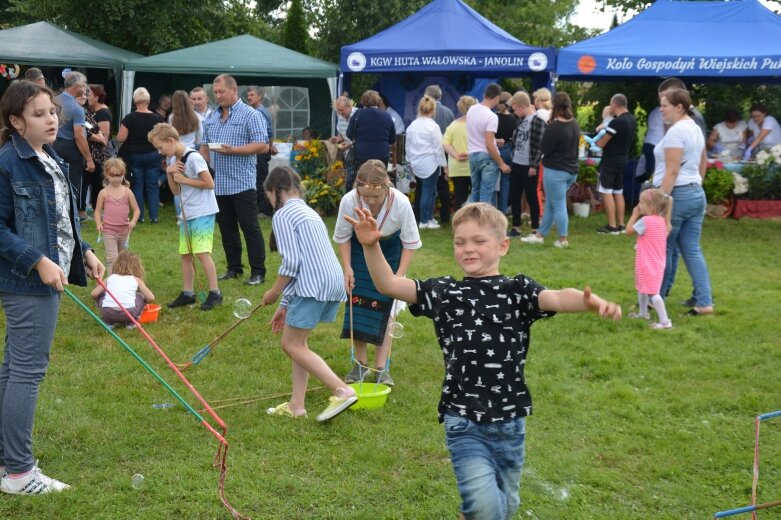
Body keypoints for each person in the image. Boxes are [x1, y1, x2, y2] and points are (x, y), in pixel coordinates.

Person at [344, 202, 621, 520]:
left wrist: (590, 303)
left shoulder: (518, 291)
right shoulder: (445, 292)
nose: (467, 249)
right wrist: (371, 246)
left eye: (478, 241)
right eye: (460, 242)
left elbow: (557, 297)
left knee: (506, 506)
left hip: (510, 422)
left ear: (503, 246)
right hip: (463, 420)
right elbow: (389, 285)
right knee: (487, 509)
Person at [0, 80, 105, 495]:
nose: (51, 119)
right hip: (26, 281)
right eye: (39, 114)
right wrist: (38, 261)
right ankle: (21, 473)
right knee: (27, 371)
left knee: (13, 369)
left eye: (52, 112)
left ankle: (7, 461)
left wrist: (88, 250)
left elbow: (61, 219)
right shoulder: (9, 163)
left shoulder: (52, 157)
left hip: (49, 272)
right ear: (15, 121)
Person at [261, 167, 357, 422]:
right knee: (299, 345)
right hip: (330, 282)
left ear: (275, 191)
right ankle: (297, 405)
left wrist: (274, 291)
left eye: (268, 195)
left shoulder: (282, 215)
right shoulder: (309, 211)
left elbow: (292, 264)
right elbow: (304, 262)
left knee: (290, 344)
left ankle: (342, 390)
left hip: (313, 284)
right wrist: (284, 304)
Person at [333, 160, 421, 387]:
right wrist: (347, 267)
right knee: (358, 306)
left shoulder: (401, 203)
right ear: (357, 189)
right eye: (365, 196)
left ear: (387, 188)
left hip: (389, 253)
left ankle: (382, 368)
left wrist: (399, 276)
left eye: (376, 197)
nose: (370, 202)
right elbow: (343, 236)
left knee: (386, 311)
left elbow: (410, 242)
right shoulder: (349, 200)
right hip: (359, 252)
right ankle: (360, 364)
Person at [200, 74, 269, 286]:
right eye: (215, 93)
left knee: (249, 228)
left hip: (242, 183)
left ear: (233, 90)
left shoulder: (251, 115)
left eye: (221, 92)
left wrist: (235, 150)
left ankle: (258, 271)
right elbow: (204, 146)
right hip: (219, 184)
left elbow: (263, 145)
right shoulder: (211, 118)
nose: (218, 96)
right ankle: (234, 267)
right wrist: (201, 164)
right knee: (227, 228)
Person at [149, 123, 223, 311]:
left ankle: (215, 292)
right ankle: (188, 293)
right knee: (186, 253)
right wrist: (170, 174)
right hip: (187, 212)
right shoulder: (174, 160)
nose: (159, 151)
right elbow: (176, 191)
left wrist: (184, 179)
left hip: (202, 211)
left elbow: (209, 183)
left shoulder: (194, 157)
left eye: (160, 147)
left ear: (171, 140)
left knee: (201, 252)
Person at [652, 88, 714, 316]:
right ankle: (704, 301)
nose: (661, 109)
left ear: (679, 107)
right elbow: (702, 162)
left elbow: (672, 171)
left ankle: (655, 298)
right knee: (691, 249)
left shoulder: (677, 131)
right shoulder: (696, 128)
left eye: (664, 105)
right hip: (695, 193)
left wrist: (660, 202)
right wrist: (697, 184)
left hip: (678, 195)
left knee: (664, 249)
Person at [522, 92, 581, 248]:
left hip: (555, 171)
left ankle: (563, 239)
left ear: (555, 105)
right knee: (551, 203)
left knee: (558, 204)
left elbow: (544, 149)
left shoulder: (554, 126)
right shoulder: (574, 123)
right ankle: (540, 235)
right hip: (571, 171)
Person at [625, 188, 673, 329]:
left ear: (651, 207)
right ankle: (643, 313)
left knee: (653, 293)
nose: (639, 205)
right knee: (642, 288)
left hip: (648, 264)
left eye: (641, 203)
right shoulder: (662, 221)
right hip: (656, 263)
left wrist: (634, 215)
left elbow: (628, 231)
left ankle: (665, 322)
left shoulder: (645, 220)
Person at [116, 87, 165, 223]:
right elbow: (163, 137)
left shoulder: (130, 118)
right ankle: (154, 217)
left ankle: (140, 216)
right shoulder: (158, 118)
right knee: (152, 185)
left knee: (137, 185)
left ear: (135, 101)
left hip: (135, 155)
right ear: (148, 101)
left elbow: (121, 138)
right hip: (153, 154)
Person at [53, 71, 95, 222]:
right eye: (83, 85)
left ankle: (55, 218)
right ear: (77, 87)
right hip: (70, 149)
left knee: (54, 184)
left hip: (51, 146)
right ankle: (70, 220)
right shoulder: (76, 108)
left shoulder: (53, 100)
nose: (85, 88)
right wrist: (89, 159)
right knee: (72, 187)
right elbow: (79, 136)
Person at [595, 94, 637, 235]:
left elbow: (602, 142)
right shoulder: (632, 120)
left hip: (610, 160)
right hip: (623, 159)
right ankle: (621, 224)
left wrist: (596, 143)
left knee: (606, 192)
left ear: (614, 105)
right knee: (618, 191)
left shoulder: (616, 122)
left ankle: (612, 226)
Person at [406, 96, 447, 230]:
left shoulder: (412, 125)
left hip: (417, 163)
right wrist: (444, 165)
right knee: (428, 191)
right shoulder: (433, 126)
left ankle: (428, 218)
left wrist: (410, 161)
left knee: (428, 191)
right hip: (430, 163)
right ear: (433, 110)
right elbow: (438, 148)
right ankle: (424, 221)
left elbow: (408, 146)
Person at [508, 91, 545, 237]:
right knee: (515, 196)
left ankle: (535, 228)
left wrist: (534, 166)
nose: (514, 112)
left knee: (531, 197)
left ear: (522, 106)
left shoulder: (538, 121)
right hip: (516, 163)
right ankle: (516, 227)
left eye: (515, 109)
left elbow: (540, 146)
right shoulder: (520, 120)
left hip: (529, 165)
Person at [94, 158, 140, 274]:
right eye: (113, 175)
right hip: (109, 231)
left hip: (124, 231)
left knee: (122, 258)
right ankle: (112, 283)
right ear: (106, 175)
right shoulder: (103, 193)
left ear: (123, 174)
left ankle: (122, 281)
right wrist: (99, 223)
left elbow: (136, 210)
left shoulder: (127, 192)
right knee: (112, 259)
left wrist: (133, 221)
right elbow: (97, 211)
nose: (116, 178)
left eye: (119, 175)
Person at [467, 83, 511, 204]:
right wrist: (502, 164)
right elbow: (488, 144)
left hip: (473, 155)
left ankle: (465, 218)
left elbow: (477, 134)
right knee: (486, 194)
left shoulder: (471, 110)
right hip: (487, 157)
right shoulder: (492, 116)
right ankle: (485, 222)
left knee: (475, 191)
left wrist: (494, 141)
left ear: (484, 94)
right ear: (496, 98)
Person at [345, 90, 396, 189]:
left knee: (362, 181)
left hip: (361, 155)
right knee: (380, 181)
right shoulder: (386, 116)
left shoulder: (357, 115)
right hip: (381, 155)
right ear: (378, 101)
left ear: (363, 101)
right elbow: (392, 139)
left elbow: (349, 134)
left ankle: (361, 200)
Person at [90, 251, 154, 329]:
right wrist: (143, 302)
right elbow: (151, 298)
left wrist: (100, 302)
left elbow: (94, 294)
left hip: (107, 313)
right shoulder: (136, 280)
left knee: (101, 294)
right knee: (140, 296)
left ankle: (108, 323)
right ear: (136, 267)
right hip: (129, 314)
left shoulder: (110, 278)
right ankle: (132, 323)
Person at [443, 96, 477, 211]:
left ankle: (459, 222)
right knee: (475, 195)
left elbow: (445, 144)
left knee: (459, 195)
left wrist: (456, 155)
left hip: (457, 166)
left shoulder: (453, 125)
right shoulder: (477, 124)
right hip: (475, 164)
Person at [246, 86, 276, 216]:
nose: (249, 97)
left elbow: (267, 132)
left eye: (252, 95)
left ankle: (265, 210)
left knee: (260, 180)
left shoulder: (259, 112)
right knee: (259, 179)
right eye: (248, 95)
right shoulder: (259, 111)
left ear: (260, 97)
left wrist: (269, 146)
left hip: (260, 152)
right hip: (262, 150)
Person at [86, 84, 112, 212]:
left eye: (89, 94)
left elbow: (104, 137)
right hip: (93, 152)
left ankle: (99, 208)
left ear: (96, 97)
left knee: (97, 181)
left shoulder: (102, 112)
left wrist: (88, 135)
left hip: (99, 154)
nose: (86, 97)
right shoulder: (92, 111)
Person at [495, 91, 517, 214]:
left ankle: (492, 211)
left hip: (495, 151)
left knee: (492, 182)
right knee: (505, 183)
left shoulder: (494, 117)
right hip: (509, 151)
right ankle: (502, 211)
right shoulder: (514, 119)